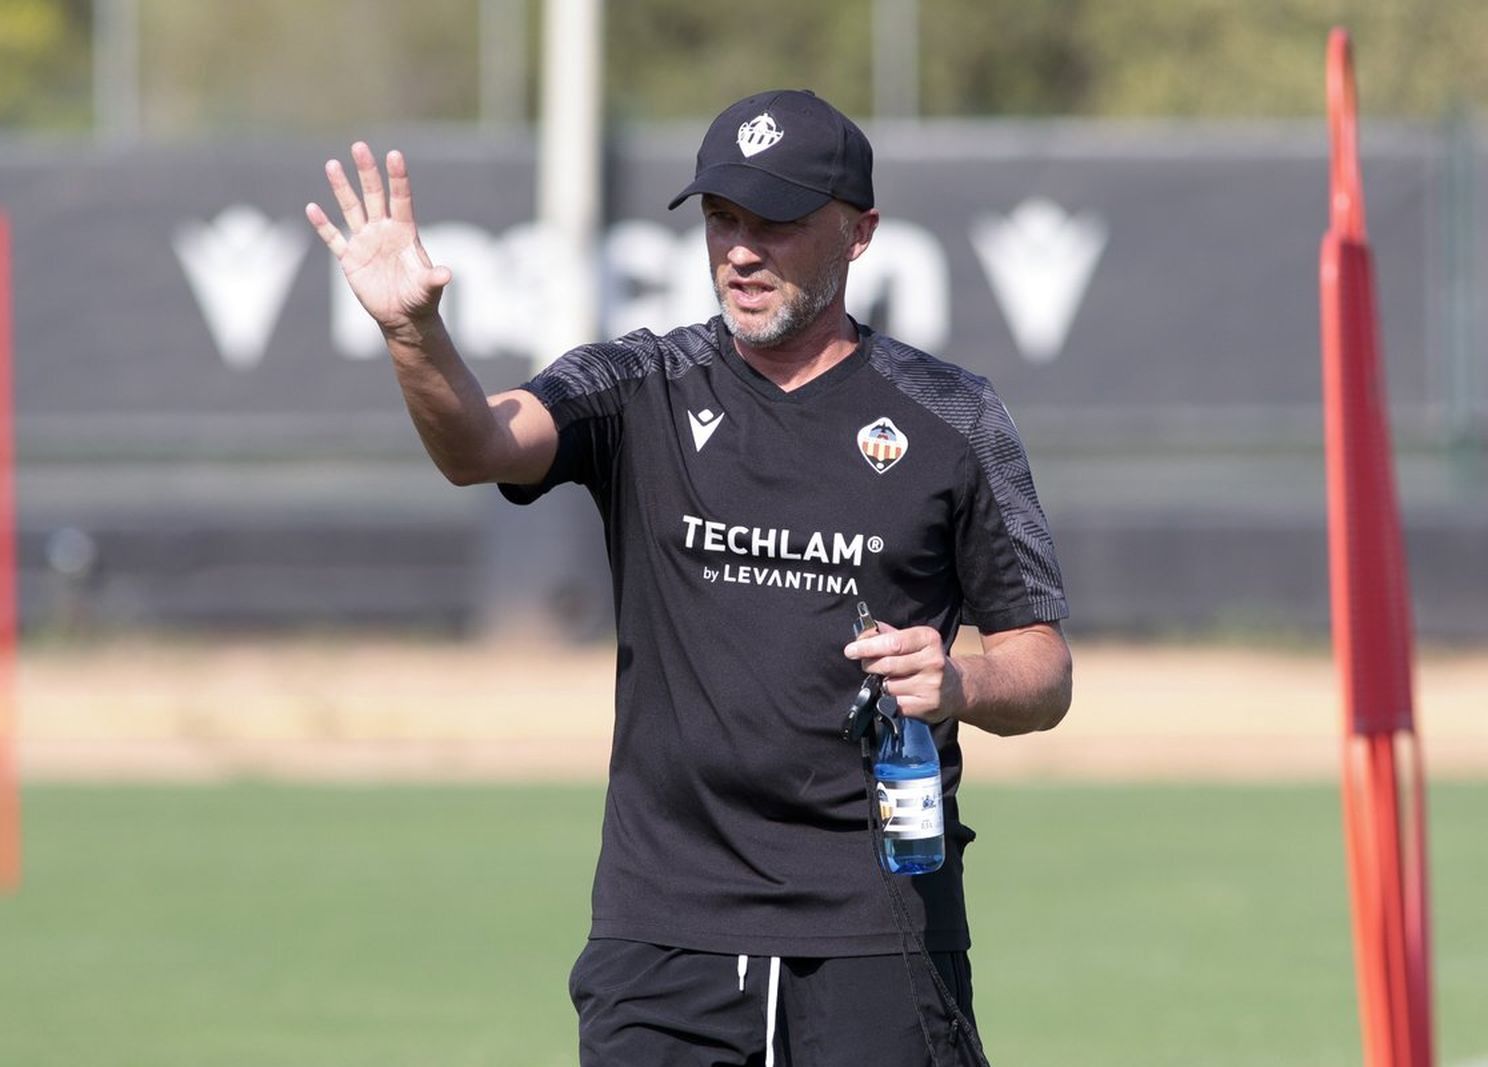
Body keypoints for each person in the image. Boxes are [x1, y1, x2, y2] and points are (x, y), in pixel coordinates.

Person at [307, 88, 1072, 1067]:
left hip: (878, 933)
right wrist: (413, 331)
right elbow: (481, 444)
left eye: (777, 222)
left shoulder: (955, 417)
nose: (741, 250)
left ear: (858, 232)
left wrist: (960, 683)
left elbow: (1043, 668)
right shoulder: (640, 385)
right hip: (662, 939)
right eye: (722, 219)